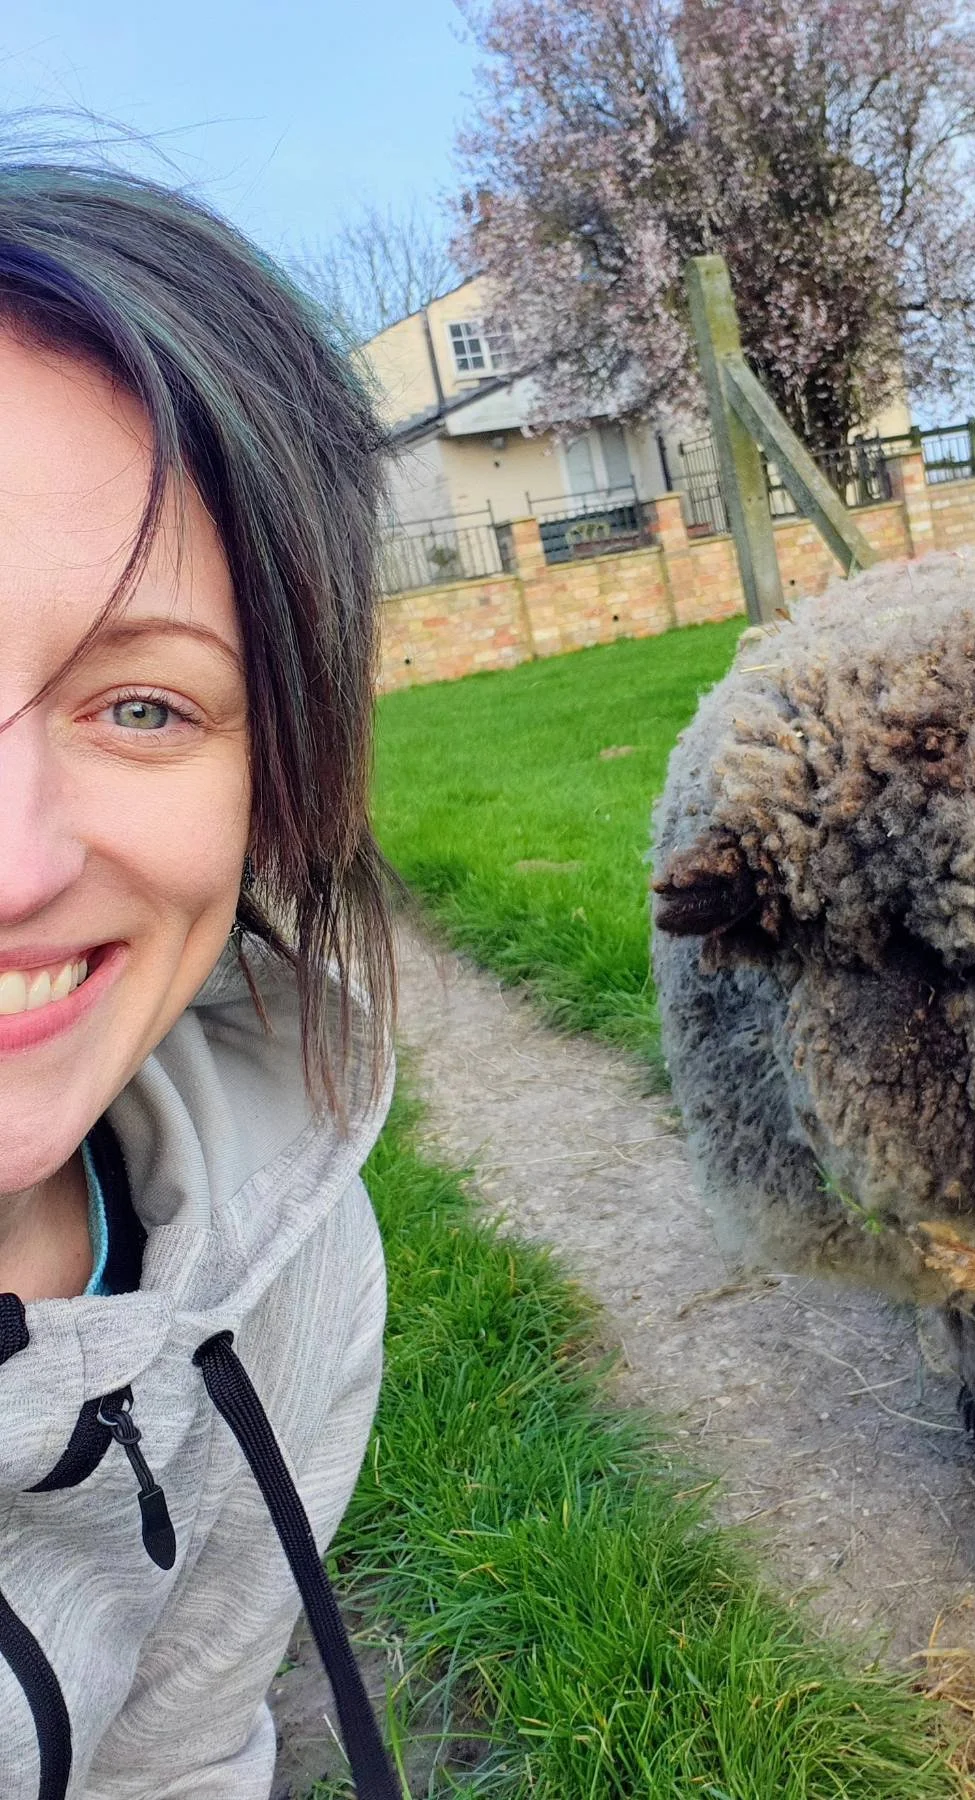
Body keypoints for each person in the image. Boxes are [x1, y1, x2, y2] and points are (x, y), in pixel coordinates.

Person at [0, 162, 402, 1798]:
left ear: (276, 790)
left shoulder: (291, 1270)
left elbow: (176, 1762)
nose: (14, 864)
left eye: (145, 707)